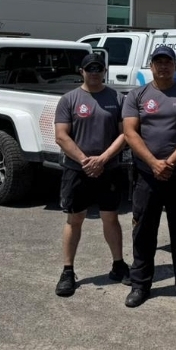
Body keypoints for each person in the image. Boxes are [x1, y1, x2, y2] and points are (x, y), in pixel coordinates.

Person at [122, 45, 176, 308]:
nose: (163, 66)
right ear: (151, 66)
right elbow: (130, 132)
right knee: (143, 230)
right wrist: (153, 163)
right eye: (159, 62)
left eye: (168, 62)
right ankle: (140, 284)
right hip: (146, 175)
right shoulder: (137, 95)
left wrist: (169, 162)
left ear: (175, 66)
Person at [54, 53, 130, 298]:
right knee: (74, 219)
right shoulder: (69, 99)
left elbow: (125, 134)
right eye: (90, 68)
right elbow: (61, 136)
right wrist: (85, 161)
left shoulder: (117, 99)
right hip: (77, 170)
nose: (94, 72)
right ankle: (67, 271)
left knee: (111, 218)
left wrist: (103, 159)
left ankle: (118, 265)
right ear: (82, 71)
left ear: (104, 71)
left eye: (98, 68)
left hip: (109, 169)